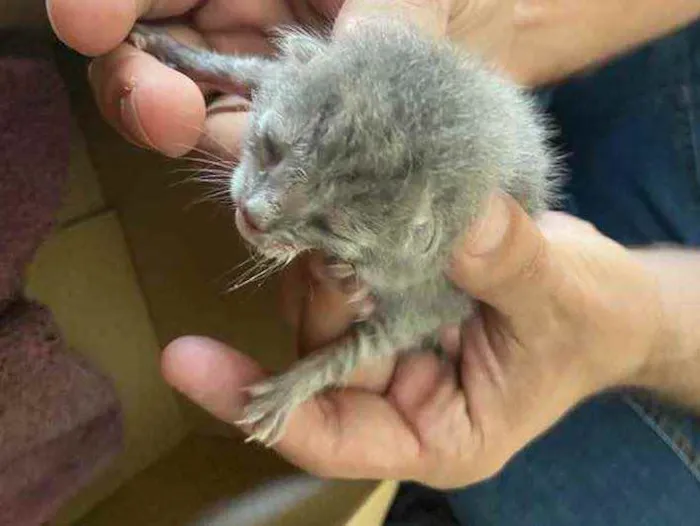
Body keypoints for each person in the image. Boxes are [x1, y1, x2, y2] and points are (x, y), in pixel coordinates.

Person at [48, 1, 700, 523]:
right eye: (270, 150)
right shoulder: (313, 76)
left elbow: (392, 326)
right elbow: (269, 72)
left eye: (324, 223)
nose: (258, 207)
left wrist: (641, 336)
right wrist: (516, 19)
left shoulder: (426, 265)